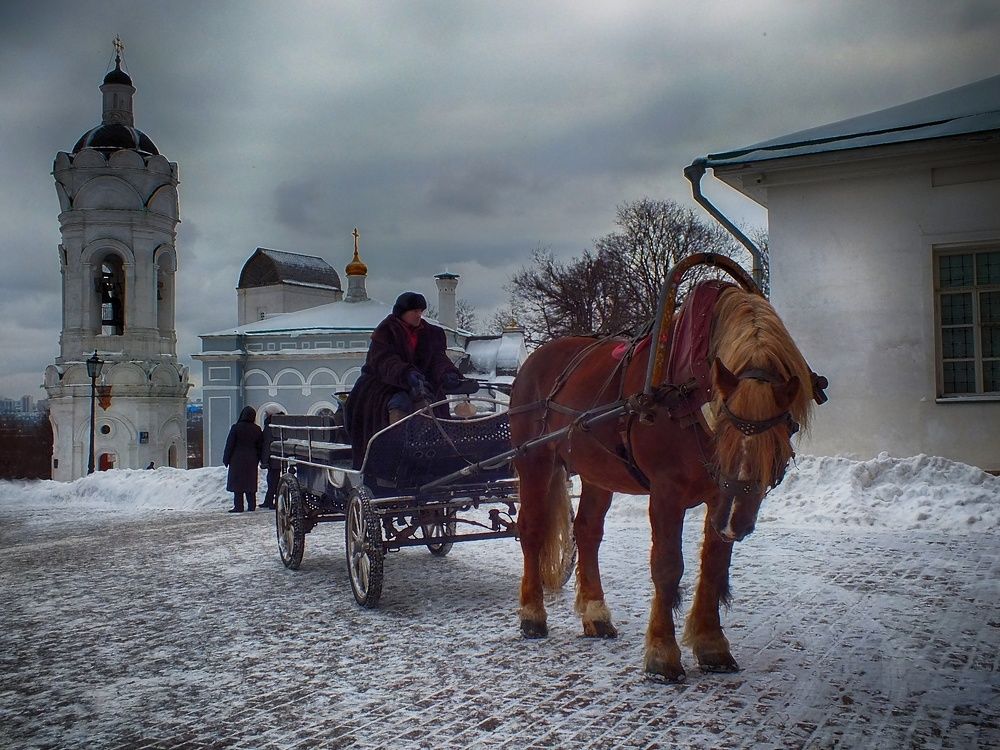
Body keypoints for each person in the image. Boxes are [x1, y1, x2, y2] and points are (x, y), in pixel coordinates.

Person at [344, 291, 478, 469]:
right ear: (402, 312)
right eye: (414, 311)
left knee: (431, 403)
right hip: (384, 385)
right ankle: (395, 446)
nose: (418, 315)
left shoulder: (431, 333)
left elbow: (438, 359)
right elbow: (384, 361)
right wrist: (406, 373)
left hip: (420, 384)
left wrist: (447, 374)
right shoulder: (386, 331)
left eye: (420, 311)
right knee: (400, 402)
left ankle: (430, 446)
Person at [222, 406, 263, 512]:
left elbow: (230, 444)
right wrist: (259, 458)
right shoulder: (257, 429)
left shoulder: (236, 427)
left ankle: (238, 506)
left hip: (237, 459)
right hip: (251, 459)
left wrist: (226, 459)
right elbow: (260, 446)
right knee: (250, 484)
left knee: (238, 485)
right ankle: (251, 506)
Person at [259, 411, 284, 510]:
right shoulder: (281, 424)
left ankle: (271, 501)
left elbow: (266, 444)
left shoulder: (270, 426)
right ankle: (270, 501)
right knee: (274, 479)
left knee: (272, 480)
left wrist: (264, 460)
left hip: (272, 457)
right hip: (278, 455)